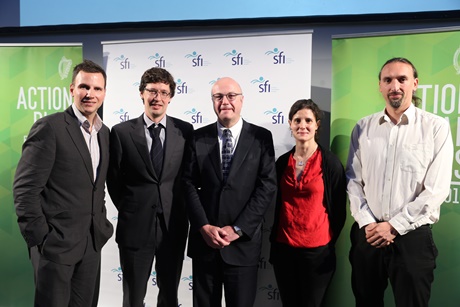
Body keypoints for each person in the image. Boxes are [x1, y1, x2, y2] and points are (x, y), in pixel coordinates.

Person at [346, 57, 453, 307]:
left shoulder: (435, 127)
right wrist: (368, 222)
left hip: (412, 236)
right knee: (366, 302)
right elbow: (353, 181)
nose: (395, 86)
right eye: (388, 80)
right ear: (380, 86)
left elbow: (436, 190)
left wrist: (393, 225)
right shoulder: (363, 127)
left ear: (415, 84)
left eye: (402, 79)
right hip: (368, 234)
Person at [13, 59, 114, 306]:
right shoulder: (51, 127)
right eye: (84, 87)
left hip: (91, 246)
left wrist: (99, 227)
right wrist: (41, 239)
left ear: (104, 93)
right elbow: (25, 190)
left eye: (97, 89)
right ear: (72, 89)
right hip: (55, 247)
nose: (90, 94)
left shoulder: (104, 133)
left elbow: (96, 187)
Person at [182, 77, 277, 307]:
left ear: (242, 100)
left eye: (231, 96)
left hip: (242, 245)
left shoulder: (261, 138)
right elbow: (187, 184)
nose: (225, 101)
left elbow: (267, 186)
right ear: (213, 101)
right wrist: (204, 227)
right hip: (206, 244)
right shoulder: (197, 138)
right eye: (218, 97)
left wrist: (238, 229)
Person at [107, 67, 193, 307]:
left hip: (172, 228)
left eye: (164, 92)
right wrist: (130, 207)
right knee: (133, 298)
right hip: (135, 228)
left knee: (170, 297)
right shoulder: (121, 132)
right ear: (141, 94)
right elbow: (113, 179)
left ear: (171, 97)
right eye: (152, 91)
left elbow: (187, 177)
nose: (158, 98)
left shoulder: (185, 131)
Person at [269, 99, 347, 307]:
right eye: (297, 120)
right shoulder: (282, 163)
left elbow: (339, 211)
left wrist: (326, 240)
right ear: (290, 124)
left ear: (317, 124)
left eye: (308, 120)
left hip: (317, 253)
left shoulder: (330, 163)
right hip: (284, 250)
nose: (302, 125)